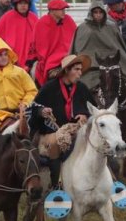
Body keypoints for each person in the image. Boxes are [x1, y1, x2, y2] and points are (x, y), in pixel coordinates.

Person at [28, 54, 95, 189]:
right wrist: (42, 111)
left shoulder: (82, 88)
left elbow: (93, 109)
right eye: (76, 69)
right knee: (55, 144)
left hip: (76, 130)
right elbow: (33, 108)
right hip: (53, 131)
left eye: (81, 69)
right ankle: (55, 184)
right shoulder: (49, 87)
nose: (80, 73)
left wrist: (84, 115)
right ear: (66, 71)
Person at [70, 0, 126, 90]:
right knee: (81, 87)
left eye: (100, 12)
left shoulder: (112, 27)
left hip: (112, 66)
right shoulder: (82, 28)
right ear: (91, 13)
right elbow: (76, 51)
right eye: (95, 12)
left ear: (104, 12)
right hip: (89, 69)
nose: (98, 15)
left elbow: (120, 49)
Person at [33, 0, 77, 86]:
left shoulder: (68, 20)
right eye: (61, 9)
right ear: (52, 11)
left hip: (69, 57)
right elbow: (40, 47)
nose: (64, 12)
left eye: (64, 9)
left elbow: (76, 38)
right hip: (51, 60)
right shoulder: (42, 23)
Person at [0, 0, 37, 71]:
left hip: (30, 60)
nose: (23, 6)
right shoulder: (7, 17)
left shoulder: (33, 18)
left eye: (25, 3)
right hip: (9, 59)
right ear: (16, 5)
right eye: (20, 3)